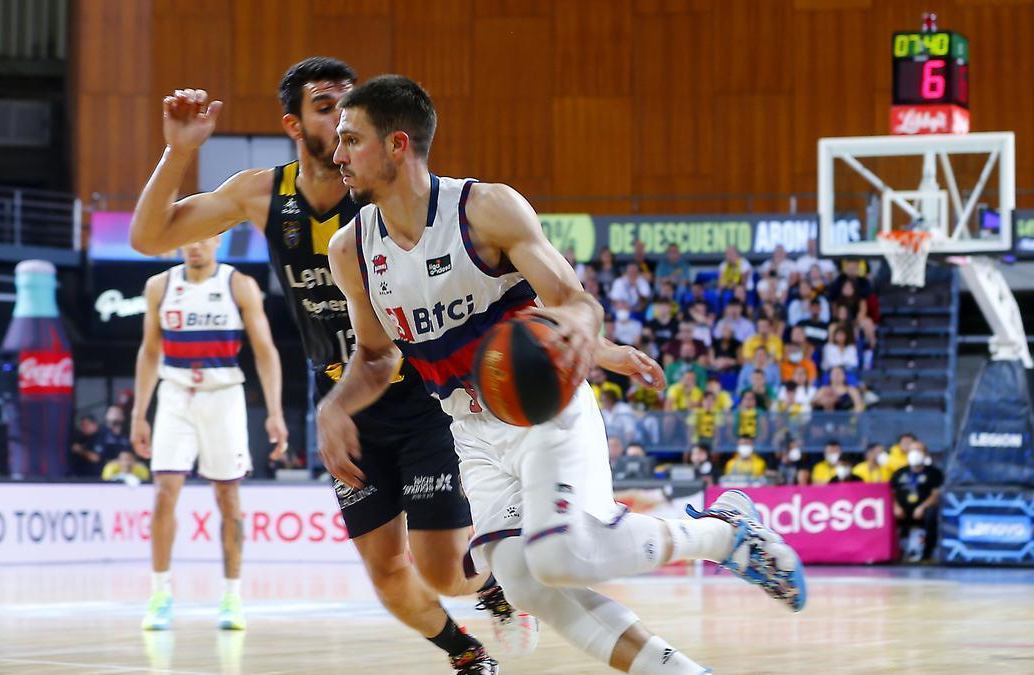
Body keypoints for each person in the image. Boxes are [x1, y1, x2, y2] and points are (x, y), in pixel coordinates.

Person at [320, 74, 804, 673]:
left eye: (349, 139)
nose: (335, 154)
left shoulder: (485, 209)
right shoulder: (351, 250)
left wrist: (587, 335)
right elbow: (375, 357)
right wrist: (335, 406)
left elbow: (573, 300)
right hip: (469, 432)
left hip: (543, 409)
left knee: (558, 555)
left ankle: (725, 532)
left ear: (397, 144)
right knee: (523, 582)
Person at [127, 59, 538, 667]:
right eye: (326, 108)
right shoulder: (262, 192)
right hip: (348, 410)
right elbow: (149, 237)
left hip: (421, 395)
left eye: (350, 108)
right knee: (386, 574)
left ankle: (497, 589)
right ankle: (466, 654)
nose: (343, 119)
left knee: (447, 572)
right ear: (293, 124)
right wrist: (177, 151)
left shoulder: (383, 192)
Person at [127, 233, 285, 633]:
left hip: (223, 394)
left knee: (228, 496)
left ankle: (232, 595)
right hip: (176, 393)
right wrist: (139, 413)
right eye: (186, 239)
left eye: (202, 238)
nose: (193, 245)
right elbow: (149, 352)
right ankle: (160, 594)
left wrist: (274, 411)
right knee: (164, 493)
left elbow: (265, 350)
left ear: (217, 240)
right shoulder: (160, 286)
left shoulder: (238, 285)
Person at [890, 442, 943, 562]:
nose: (915, 453)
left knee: (932, 513)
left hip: (923, 509)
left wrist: (922, 507)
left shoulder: (934, 473)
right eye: (912, 450)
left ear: (925, 454)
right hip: (902, 509)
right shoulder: (899, 473)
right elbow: (891, 493)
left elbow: (936, 495)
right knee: (887, 513)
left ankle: (927, 552)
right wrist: (896, 506)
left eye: (919, 450)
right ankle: (893, 551)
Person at [69, 413, 103, 478]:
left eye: (85, 425)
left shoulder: (101, 436)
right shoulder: (82, 437)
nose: (83, 428)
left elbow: (96, 458)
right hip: (79, 476)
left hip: (95, 478)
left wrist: (80, 450)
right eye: (82, 425)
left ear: (93, 424)